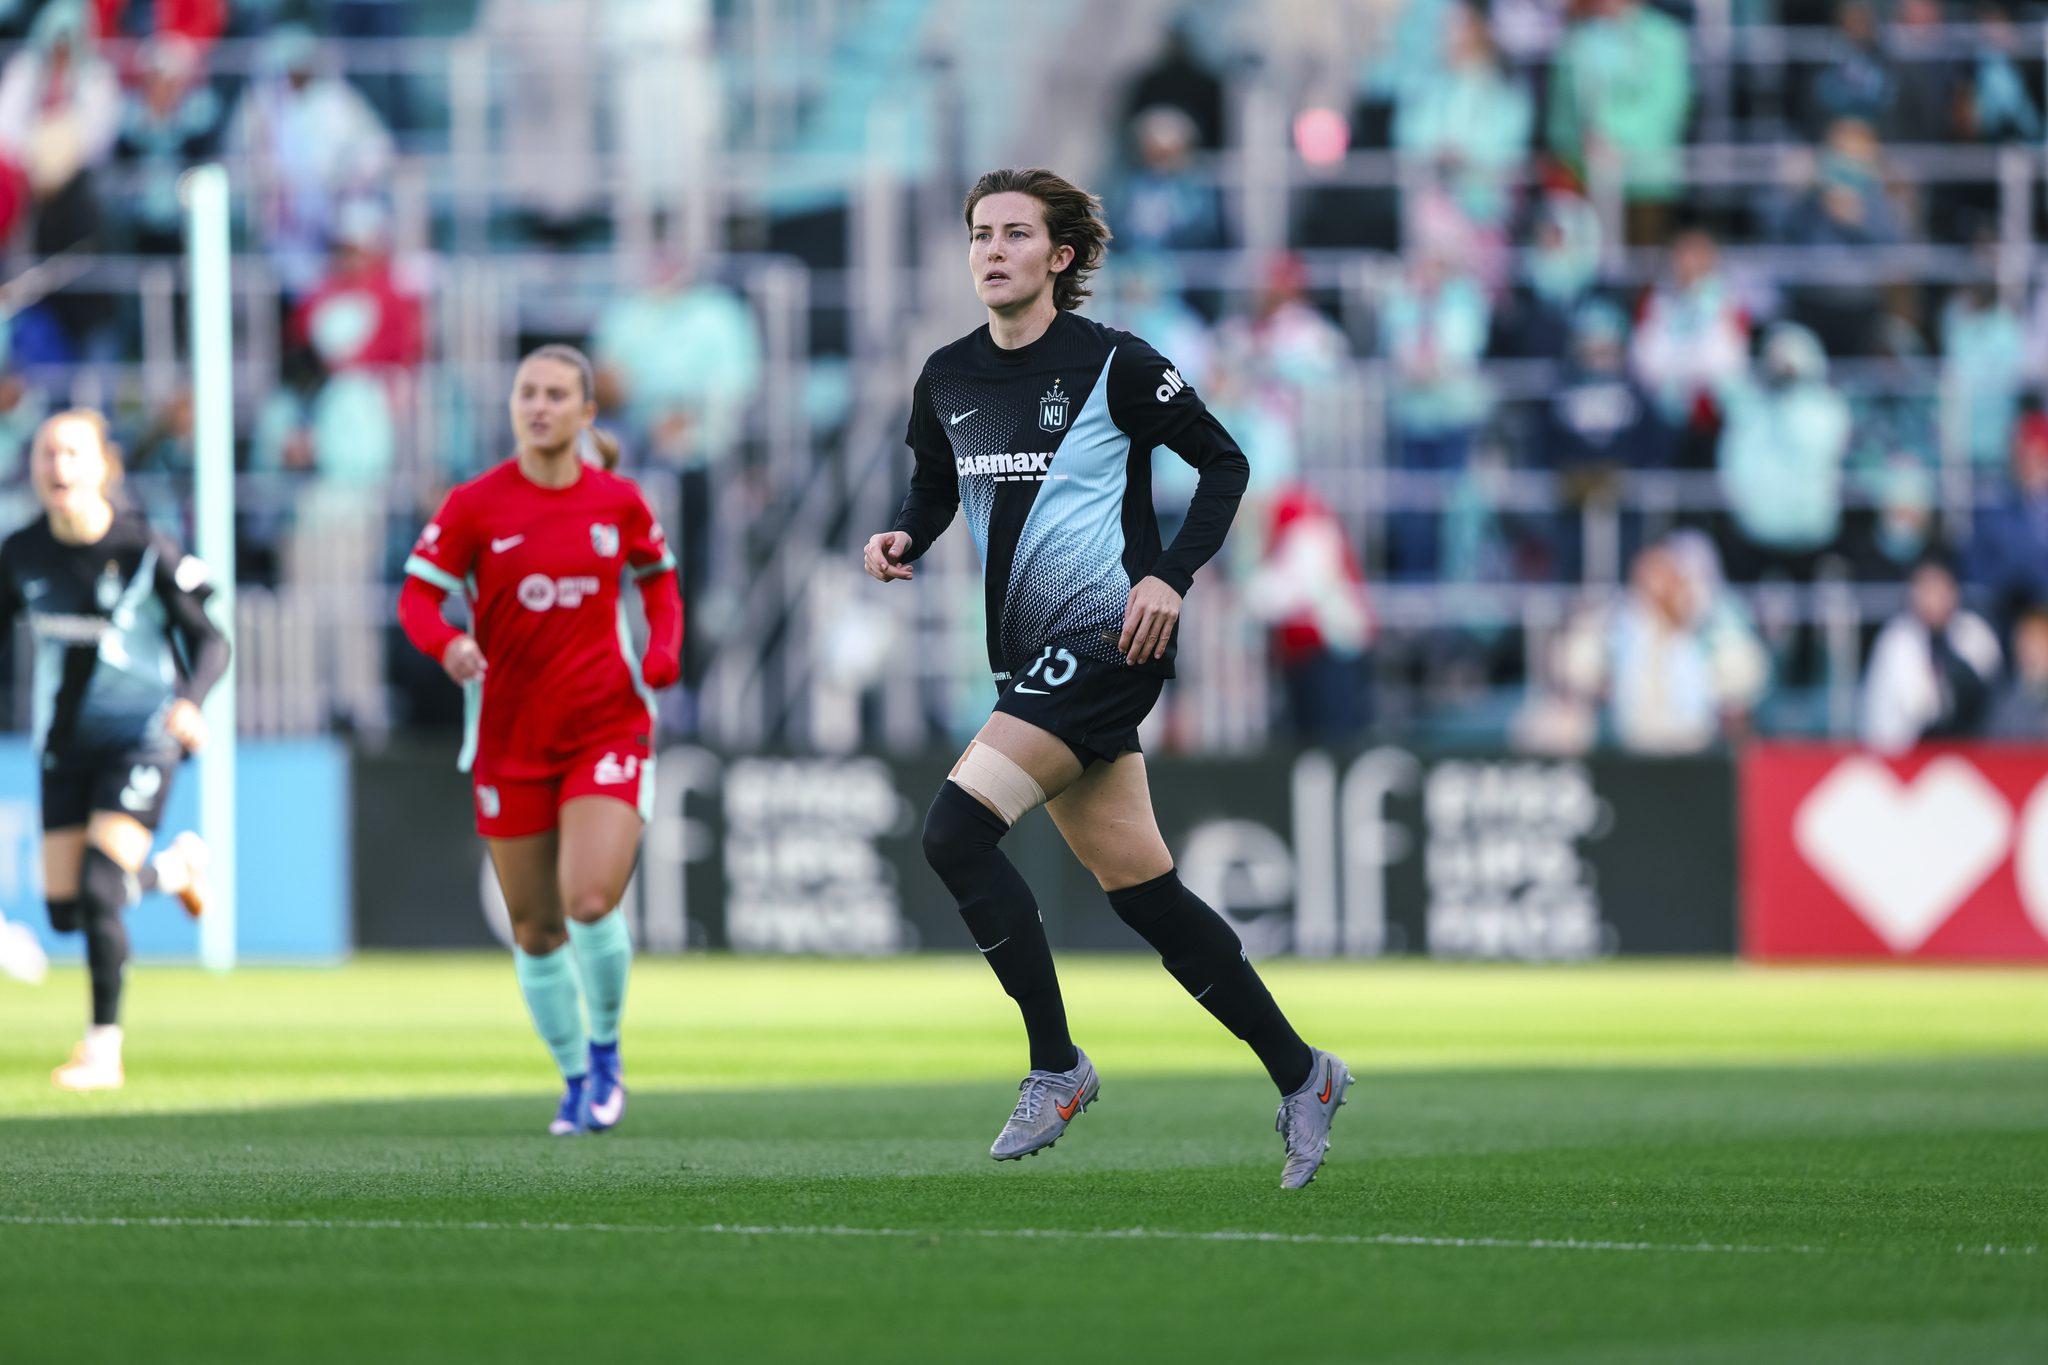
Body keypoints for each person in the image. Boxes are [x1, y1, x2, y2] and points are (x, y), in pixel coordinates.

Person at [862, 168, 1351, 1190]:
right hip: (1023, 657)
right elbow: (934, 482)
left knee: (953, 831)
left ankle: (1055, 1065)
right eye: (978, 235)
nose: (990, 250)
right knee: (1145, 893)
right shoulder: (946, 377)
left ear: (1061, 257)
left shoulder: (1114, 365)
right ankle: (1303, 1073)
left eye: (1012, 234)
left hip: (1106, 639)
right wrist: (907, 531)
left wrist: (1169, 575)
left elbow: (1224, 465)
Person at [398, 345, 682, 1136]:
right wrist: (448, 643)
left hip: (606, 726)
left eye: (558, 394)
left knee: (589, 898)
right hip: (510, 738)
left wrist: (663, 651)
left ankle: (606, 1050)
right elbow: (418, 599)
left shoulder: (618, 502)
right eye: (528, 392)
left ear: (587, 412)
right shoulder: (474, 506)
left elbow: (660, 581)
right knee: (535, 925)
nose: (540, 405)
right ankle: (573, 1073)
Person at [0, 410, 226, 1090]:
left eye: (71, 452)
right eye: (46, 453)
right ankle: (175, 871)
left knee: (101, 886)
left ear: (103, 465)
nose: (57, 466)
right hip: (63, 745)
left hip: (141, 736)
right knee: (68, 912)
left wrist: (192, 700)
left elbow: (211, 639)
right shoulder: (20, 553)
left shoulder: (143, 547)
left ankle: (103, 1049)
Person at [1861, 553, 2001, 753]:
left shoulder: (1974, 633)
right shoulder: (1897, 640)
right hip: (1905, 758)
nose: (1932, 598)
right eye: (1925, 589)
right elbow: (1916, 708)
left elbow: (1992, 697)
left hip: (1970, 752)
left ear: (1954, 592)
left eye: (1939, 588)